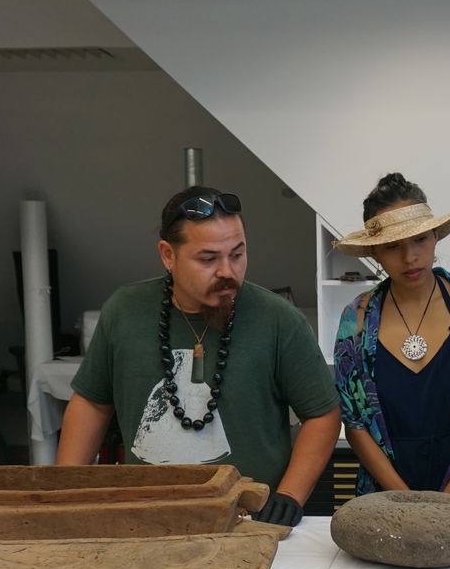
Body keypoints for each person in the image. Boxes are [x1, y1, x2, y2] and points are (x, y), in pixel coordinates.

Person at [55, 186, 341, 526]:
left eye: (237, 254)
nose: (227, 272)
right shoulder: (124, 311)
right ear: (167, 254)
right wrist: (65, 494)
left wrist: (290, 495)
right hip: (144, 519)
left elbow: (322, 413)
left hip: (250, 522)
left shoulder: (278, 319)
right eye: (208, 259)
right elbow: (92, 403)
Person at [332, 173, 450, 497]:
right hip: (385, 498)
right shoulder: (356, 319)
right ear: (374, 251)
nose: (409, 257)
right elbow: (355, 422)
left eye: (419, 240)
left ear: (435, 237)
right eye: (392, 246)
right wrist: (406, 501)